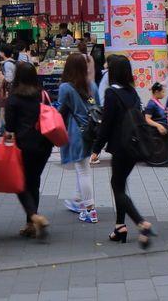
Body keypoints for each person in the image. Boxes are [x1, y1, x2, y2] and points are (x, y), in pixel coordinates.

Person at [92, 54, 156, 248]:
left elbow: (107, 125)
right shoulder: (132, 92)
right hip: (135, 146)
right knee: (120, 182)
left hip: (120, 147)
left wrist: (96, 149)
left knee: (117, 186)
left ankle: (141, 223)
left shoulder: (112, 93)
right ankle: (120, 227)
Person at [3, 61, 53, 238]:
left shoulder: (14, 98)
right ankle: (31, 224)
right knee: (34, 182)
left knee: (20, 183)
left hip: (24, 146)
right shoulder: (42, 94)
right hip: (45, 144)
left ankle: (33, 216)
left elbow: (9, 127)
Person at [57, 53, 99, 224]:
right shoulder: (92, 86)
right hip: (92, 132)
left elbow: (60, 111)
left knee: (83, 170)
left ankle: (90, 210)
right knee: (83, 168)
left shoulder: (66, 87)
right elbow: (98, 107)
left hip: (76, 132)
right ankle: (79, 200)